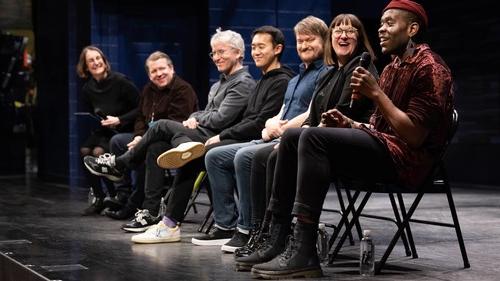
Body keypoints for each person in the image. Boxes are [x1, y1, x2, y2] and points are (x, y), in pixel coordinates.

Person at [251, 1, 454, 279]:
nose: (381, 29)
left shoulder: (429, 68)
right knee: (294, 136)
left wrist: (376, 95)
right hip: (385, 147)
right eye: (381, 23)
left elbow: (415, 136)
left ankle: (304, 249)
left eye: (389, 23)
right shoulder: (394, 66)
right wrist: (349, 123)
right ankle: (277, 238)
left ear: (412, 29)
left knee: (311, 137)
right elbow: (377, 125)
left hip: (408, 161)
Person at [235, 13, 377, 268]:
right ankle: (273, 237)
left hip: (350, 146)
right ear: (331, 37)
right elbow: (313, 117)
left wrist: (296, 138)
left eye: (350, 31)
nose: (343, 35)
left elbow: (345, 113)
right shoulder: (330, 73)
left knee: (283, 146)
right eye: (338, 30)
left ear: (360, 37)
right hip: (322, 142)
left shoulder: (361, 68)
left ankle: (296, 243)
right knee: (269, 155)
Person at [130, 25, 294, 244]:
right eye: (253, 46)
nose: (255, 51)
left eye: (260, 47)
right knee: (158, 146)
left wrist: (220, 133)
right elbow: (221, 115)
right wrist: (200, 120)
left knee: (168, 132)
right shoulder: (254, 81)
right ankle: (160, 218)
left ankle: (221, 224)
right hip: (221, 135)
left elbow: (241, 121)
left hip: (244, 138)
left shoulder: (261, 82)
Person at [83, 29, 255, 234]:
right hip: (198, 135)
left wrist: (195, 118)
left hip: (219, 139)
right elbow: (145, 115)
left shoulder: (242, 83)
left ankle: (120, 164)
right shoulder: (219, 84)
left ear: (238, 53)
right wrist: (195, 118)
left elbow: (220, 119)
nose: (216, 57)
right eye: (213, 53)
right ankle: (156, 216)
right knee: (155, 146)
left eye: (221, 52)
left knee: (162, 126)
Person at [195, 16, 329, 252]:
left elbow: (313, 112)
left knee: (245, 156)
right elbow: (278, 113)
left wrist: (282, 129)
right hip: (274, 137)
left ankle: (251, 229)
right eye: (301, 40)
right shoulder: (296, 79)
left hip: (296, 141)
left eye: (310, 40)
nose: (304, 45)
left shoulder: (323, 74)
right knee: (214, 156)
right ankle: (227, 225)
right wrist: (270, 126)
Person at [104, 51, 199, 220]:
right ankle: (123, 194)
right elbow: (141, 116)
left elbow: (175, 123)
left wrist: (144, 139)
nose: (159, 74)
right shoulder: (148, 90)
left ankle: (134, 204)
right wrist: (139, 136)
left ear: (171, 69)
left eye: (162, 69)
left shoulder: (183, 89)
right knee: (118, 141)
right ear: (149, 75)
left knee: (150, 149)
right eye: (154, 71)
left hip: (174, 142)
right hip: (147, 136)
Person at [76, 45, 139, 215]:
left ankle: (115, 196)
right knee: (84, 150)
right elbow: (92, 112)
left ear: (104, 61)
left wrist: (120, 119)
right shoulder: (88, 89)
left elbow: (141, 108)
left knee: (98, 152)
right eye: (91, 60)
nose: (96, 62)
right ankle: (98, 197)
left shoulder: (121, 81)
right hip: (106, 130)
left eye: (98, 58)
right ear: (86, 66)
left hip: (126, 128)